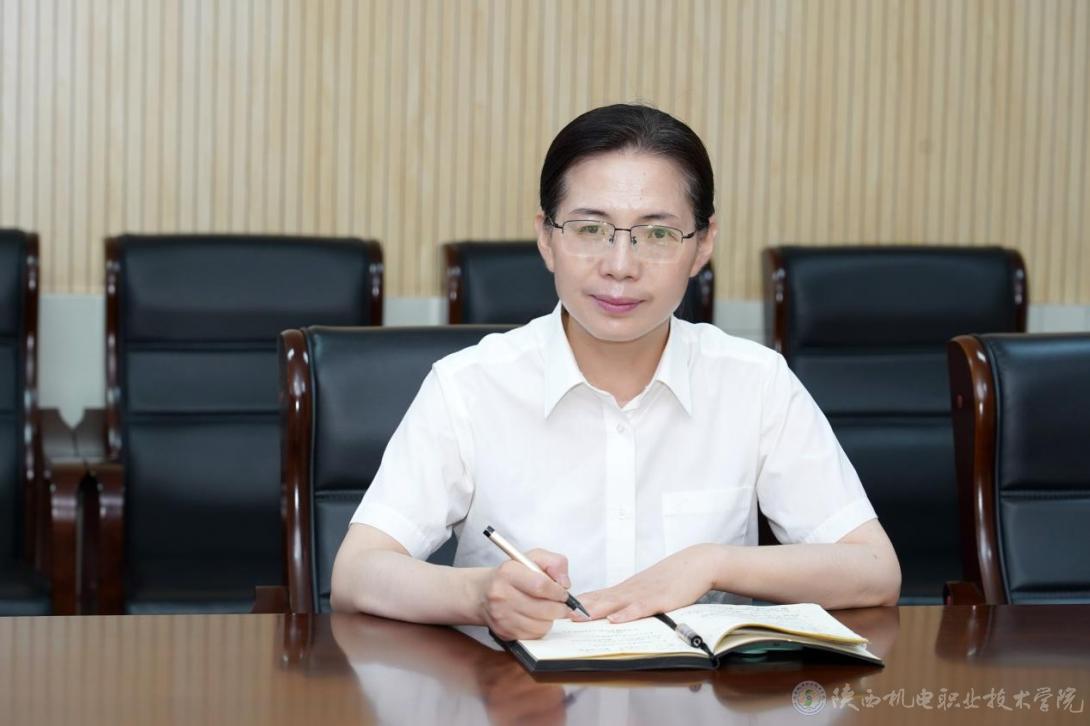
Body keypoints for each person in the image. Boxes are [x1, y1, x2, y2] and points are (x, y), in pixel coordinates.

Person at [330, 103, 901, 640]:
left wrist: (711, 564)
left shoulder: (755, 382)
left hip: (697, 695)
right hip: (516, 694)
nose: (620, 267)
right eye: (589, 229)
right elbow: (357, 574)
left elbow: (874, 570)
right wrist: (478, 595)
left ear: (703, 245)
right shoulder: (469, 385)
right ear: (546, 238)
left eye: (657, 234)